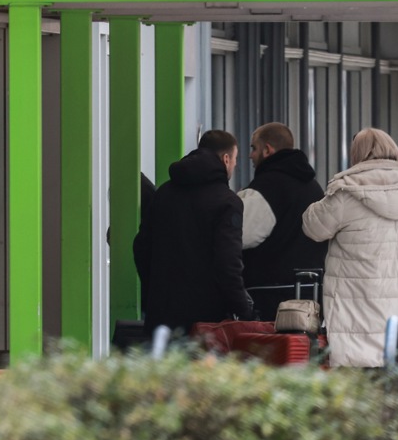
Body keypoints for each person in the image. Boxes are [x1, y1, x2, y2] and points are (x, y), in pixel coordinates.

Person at [301, 128, 398, 370]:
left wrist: (331, 190)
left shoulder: (345, 193)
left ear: (356, 155)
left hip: (357, 333)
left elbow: (312, 227)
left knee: (362, 394)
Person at [132, 130, 254, 334]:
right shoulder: (227, 202)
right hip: (207, 321)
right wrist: (243, 310)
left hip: (161, 315)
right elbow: (228, 264)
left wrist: (154, 292)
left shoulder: (164, 193)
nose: (234, 165)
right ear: (226, 159)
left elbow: (141, 247)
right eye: (235, 160)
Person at [238, 122, 328, 320]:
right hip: (311, 296)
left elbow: (240, 235)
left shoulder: (267, 187)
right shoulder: (314, 187)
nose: (250, 155)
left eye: (254, 148)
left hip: (271, 300)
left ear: (267, 150)